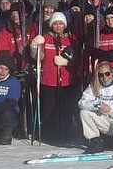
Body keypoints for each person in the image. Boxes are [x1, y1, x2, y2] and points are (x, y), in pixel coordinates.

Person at [30, 11, 80, 144]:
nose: (58, 26)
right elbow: (38, 58)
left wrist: (67, 62)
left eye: (60, 24)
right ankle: (50, 133)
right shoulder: (45, 37)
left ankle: (66, 132)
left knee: (66, 108)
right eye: (55, 24)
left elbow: (76, 58)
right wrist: (34, 46)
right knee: (50, 108)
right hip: (49, 79)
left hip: (66, 79)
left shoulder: (70, 38)